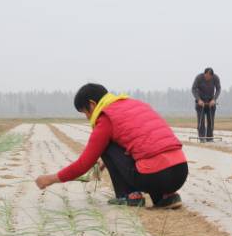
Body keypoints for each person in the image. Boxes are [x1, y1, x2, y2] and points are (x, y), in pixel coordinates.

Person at [35, 83, 188, 209]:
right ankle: (166, 196)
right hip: (180, 171)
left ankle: (128, 195)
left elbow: (84, 164)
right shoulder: (135, 104)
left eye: (85, 113)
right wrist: (105, 163)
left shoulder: (106, 118)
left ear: (92, 104)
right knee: (148, 153)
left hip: (154, 176)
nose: (88, 118)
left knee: (106, 145)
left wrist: (51, 179)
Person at [192, 67, 221, 142]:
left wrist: (214, 99)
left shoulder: (215, 78)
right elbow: (193, 89)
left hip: (210, 103)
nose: (207, 78)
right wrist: (198, 99)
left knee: (210, 120)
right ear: (204, 74)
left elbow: (218, 89)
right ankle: (201, 137)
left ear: (212, 76)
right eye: (206, 76)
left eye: (209, 77)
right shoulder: (199, 78)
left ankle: (210, 137)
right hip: (201, 103)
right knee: (201, 120)